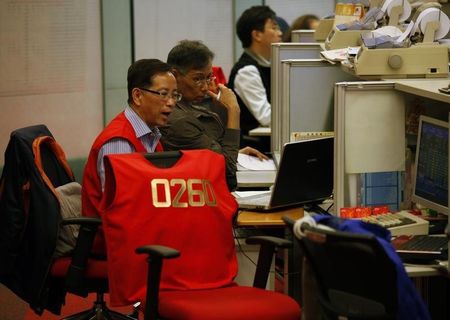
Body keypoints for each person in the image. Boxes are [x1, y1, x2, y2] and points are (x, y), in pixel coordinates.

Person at [160, 40, 267, 191]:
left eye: (208, 77)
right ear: (175, 76)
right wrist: (233, 110)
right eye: (197, 79)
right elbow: (228, 171)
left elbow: (218, 147)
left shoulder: (189, 105)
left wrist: (237, 153)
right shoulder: (178, 120)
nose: (204, 87)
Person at [82, 59, 179, 220]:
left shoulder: (151, 133)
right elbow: (121, 209)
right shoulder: (119, 142)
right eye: (163, 94)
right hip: (114, 239)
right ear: (138, 96)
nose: (171, 103)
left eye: (175, 95)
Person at [228, 5, 282, 152]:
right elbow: (267, 117)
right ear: (257, 35)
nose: (280, 33)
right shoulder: (247, 71)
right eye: (274, 28)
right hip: (254, 149)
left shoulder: (268, 65)